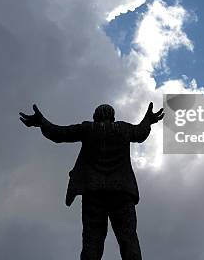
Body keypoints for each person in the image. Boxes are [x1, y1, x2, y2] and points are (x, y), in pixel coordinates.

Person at [19, 102, 164, 260]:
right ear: (112, 117)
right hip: (122, 192)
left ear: (95, 117)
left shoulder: (88, 129)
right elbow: (140, 133)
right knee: (128, 238)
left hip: (93, 192)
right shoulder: (124, 129)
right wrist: (148, 119)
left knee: (92, 240)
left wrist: (41, 121)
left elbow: (60, 134)